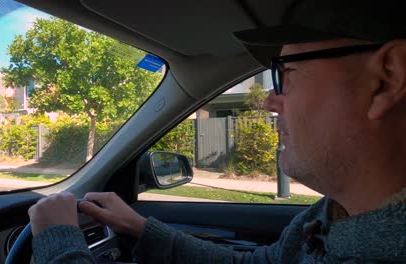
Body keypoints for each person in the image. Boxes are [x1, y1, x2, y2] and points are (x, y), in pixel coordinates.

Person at [28, 1, 406, 263]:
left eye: (286, 73)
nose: (270, 102)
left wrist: (57, 243)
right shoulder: (330, 216)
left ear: (386, 79)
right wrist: (141, 228)